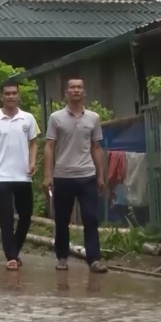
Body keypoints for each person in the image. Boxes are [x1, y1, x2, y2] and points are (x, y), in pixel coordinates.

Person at [42, 78, 108, 273]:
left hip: (87, 175)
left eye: (79, 87)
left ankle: (94, 259)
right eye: (72, 87)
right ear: (66, 93)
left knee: (90, 218)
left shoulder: (93, 118)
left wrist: (101, 175)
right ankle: (62, 258)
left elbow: (97, 148)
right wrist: (48, 174)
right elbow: (49, 146)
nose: (76, 90)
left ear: (84, 92)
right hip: (63, 175)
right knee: (62, 219)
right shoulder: (56, 118)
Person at [0, 80, 39, 271]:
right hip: (1, 175)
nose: (11, 96)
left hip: (23, 175)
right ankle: (11, 256)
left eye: (14, 93)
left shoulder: (28, 118)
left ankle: (15, 248)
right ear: (1, 96)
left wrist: (32, 162)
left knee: (26, 215)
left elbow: (34, 143)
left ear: (18, 95)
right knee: (5, 217)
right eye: (7, 93)